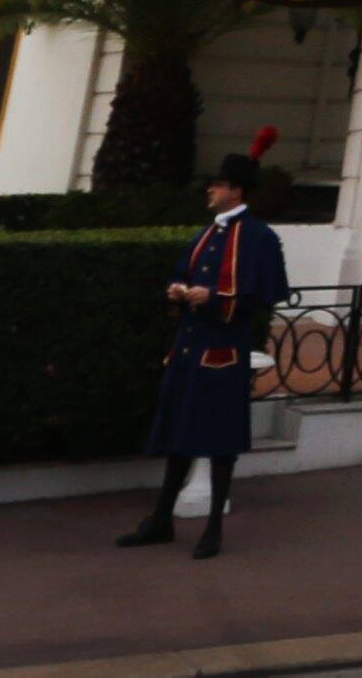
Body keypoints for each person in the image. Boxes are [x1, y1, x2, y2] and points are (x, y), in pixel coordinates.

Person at [119, 139, 286, 559]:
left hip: (223, 350)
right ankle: (161, 519)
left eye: (217, 185)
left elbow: (266, 293)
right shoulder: (206, 233)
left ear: (236, 191)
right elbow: (183, 271)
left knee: (219, 440)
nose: (210, 191)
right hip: (190, 347)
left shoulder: (260, 237)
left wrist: (212, 298)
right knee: (179, 435)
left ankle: (213, 528)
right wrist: (178, 290)